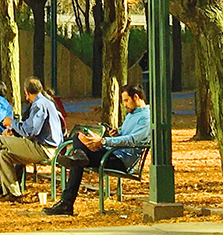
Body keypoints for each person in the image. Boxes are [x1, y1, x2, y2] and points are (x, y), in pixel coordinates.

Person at [44, 85, 149, 216]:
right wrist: (115, 133)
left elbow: (132, 140)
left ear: (136, 97)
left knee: (78, 159)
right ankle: (78, 159)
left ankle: (66, 202)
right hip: (112, 152)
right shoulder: (131, 115)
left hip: (120, 160)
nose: (125, 104)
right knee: (79, 137)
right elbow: (124, 134)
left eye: (126, 100)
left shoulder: (146, 117)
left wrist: (104, 141)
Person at [0, 77, 64, 200]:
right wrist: (15, 130)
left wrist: (11, 123)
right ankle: (12, 193)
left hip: (45, 149)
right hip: (47, 146)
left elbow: (30, 131)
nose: (26, 98)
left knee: (1, 140)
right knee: (3, 155)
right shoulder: (47, 102)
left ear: (27, 92)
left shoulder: (39, 105)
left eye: (26, 95)